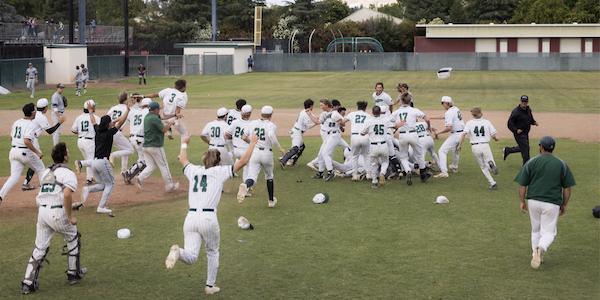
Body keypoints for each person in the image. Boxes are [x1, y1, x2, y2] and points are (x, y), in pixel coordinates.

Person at [164, 133, 259, 295]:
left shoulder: (193, 170)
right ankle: (209, 286)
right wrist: (253, 143)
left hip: (191, 218)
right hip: (208, 218)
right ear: (218, 162)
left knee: (192, 256)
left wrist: (185, 143)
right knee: (212, 252)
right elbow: (243, 162)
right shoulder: (220, 172)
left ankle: (178, 252)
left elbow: (182, 159)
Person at [20, 142, 87, 294]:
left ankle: (27, 283)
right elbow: (67, 194)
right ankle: (73, 273)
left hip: (42, 213)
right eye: (68, 152)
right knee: (73, 239)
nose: (69, 154)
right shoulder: (68, 174)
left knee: (40, 247)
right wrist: (70, 217)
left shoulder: (46, 172)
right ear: (65, 157)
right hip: (58, 214)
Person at [514, 135, 575, 269]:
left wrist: (521, 201)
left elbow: (522, 184)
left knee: (536, 230)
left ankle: (535, 255)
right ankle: (540, 248)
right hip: (551, 203)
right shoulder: (561, 164)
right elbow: (567, 187)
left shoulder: (532, 162)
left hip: (533, 202)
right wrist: (564, 204)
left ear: (541, 147)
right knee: (549, 232)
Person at [81, 100, 130, 213]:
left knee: (103, 184)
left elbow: (93, 121)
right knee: (111, 184)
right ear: (108, 124)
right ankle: (101, 207)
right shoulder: (109, 133)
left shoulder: (97, 131)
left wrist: (90, 111)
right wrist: (127, 110)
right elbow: (121, 122)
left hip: (94, 163)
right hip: (103, 163)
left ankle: (88, 190)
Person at [237, 106, 285, 207]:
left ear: (261, 114)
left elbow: (244, 137)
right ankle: (271, 201)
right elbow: (271, 135)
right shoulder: (271, 125)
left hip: (255, 152)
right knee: (269, 176)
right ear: (271, 115)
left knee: (252, 177)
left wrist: (252, 143)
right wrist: (279, 147)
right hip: (267, 153)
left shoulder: (252, 123)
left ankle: (245, 186)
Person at [0, 103, 46, 208]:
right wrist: (37, 152)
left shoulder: (16, 122)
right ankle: (45, 198)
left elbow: (12, 138)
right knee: (41, 169)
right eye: (34, 111)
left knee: (14, 177)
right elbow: (26, 141)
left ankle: (0, 195)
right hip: (25, 152)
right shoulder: (31, 124)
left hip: (13, 151)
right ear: (32, 113)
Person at [134, 102, 179, 193]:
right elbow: (164, 130)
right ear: (155, 110)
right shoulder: (154, 118)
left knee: (151, 165)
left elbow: (162, 117)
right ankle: (169, 186)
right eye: (158, 109)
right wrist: (170, 123)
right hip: (155, 147)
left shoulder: (148, 116)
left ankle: (140, 178)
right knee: (164, 166)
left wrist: (174, 115)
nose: (159, 110)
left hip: (146, 146)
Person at [22, 98, 66, 190]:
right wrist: (59, 123)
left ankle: (26, 182)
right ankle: (45, 185)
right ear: (45, 107)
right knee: (38, 163)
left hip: (29, 138)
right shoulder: (41, 117)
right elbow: (50, 131)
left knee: (35, 162)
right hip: (32, 140)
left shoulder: (35, 114)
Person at [391, 92, 433, 185]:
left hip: (402, 135)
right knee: (420, 155)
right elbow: (427, 119)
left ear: (401, 101)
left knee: (403, 157)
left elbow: (387, 121)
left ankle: (408, 170)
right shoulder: (414, 110)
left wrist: (396, 125)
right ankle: (423, 175)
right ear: (410, 101)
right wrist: (429, 126)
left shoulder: (397, 112)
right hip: (413, 134)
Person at [457, 107, 500, 190]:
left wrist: (460, 145)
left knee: (483, 167)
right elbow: (493, 135)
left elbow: (463, 134)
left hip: (475, 147)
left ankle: (493, 183)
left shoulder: (469, 123)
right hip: (485, 145)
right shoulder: (487, 122)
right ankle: (490, 164)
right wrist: (496, 139)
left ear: (473, 114)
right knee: (489, 162)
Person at [361, 106, 398, 189]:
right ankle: (382, 173)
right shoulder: (385, 120)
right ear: (380, 112)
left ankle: (374, 182)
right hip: (383, 145)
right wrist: (400, 124)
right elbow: (394, 126)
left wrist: (369, 131)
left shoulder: (368, 121)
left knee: (374, 164)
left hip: (373, 145)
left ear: (372, 112)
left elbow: (362, 133)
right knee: (385, 162)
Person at [308, 99, 345, 182]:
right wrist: (310, 114)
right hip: (328, 135)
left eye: (322, 105)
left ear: (327, 105)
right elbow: (317, 122)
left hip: (335, 135)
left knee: (325, 153)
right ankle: (320, 173)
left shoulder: (335, 113)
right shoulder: (325, 113)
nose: (321, 107)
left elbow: (343, 122)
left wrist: (340, 122)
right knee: (320, 154)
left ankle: (330, 172)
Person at [431, 96, 465, 178]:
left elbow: (449, 127)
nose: (442, 105)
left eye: (442, 103)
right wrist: (431, 117)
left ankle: (444, 172)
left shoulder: (449, 113)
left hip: (456, 135)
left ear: (447, 103)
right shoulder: (455, 108)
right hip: (462, 133)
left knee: (442, 151)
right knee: (455, 151)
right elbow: (444, 115)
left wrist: (439, 132)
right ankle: (454, 167)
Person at [279, 99, 316, 169]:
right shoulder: (305, 114)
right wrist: (316, 123)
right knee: (295, 148)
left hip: (295, 131)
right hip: (297, 133)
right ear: (311, 106)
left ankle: (292, 161)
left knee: (302, 146)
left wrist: (321, 118)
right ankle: (283, 160)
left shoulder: (305, 112)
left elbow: (315, 117)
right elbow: (309, 126)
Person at [122, 97, 152, 184]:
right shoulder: (147, 112)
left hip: (132, 138)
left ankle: (134, 175)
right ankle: (128, 173)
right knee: (143, 160)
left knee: (145, 159)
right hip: (140, 139)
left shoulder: (133, 111)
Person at [72, 100, 101, 185]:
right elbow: (100, 130)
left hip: (80, 141)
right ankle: (80, 163)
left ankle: (89, 179)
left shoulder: (79, 117)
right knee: (92, 161)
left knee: (89, 160)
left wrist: (82, 133)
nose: (95, 107)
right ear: (91, 108)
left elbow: (73, 130)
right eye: (94, 106)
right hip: (89, 142)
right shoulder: (95, 117)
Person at [504, 95, 539, 165]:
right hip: (519, 134)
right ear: (520, 101)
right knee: (526, 150)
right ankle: (526, 167)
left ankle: (507, 150)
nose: (524, 103)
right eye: (522, 101)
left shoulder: (528, 110)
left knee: (523, 148)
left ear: (527, 102)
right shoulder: (516, 111)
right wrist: (516, 130)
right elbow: (510, 123)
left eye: (525, 101)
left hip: (526, 133)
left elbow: (530, 118)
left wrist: (534, 122)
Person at [106, 91, 135, 175]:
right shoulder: (128, 109)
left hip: (109, 132)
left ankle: (123, 170)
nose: (129, 100)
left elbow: (106, 118)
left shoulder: (113, 108)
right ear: (125, 100)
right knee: (130, 150)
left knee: (124, 150)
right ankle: (112, 155)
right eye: (128, 98)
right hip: (117, 133)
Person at [225, 104, 252, 189]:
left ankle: (225, 175)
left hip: (236, 150)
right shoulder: (251, 124)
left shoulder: (235, 122)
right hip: (245, 150)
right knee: (247, 168)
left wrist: (233, 137)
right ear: (250, 113)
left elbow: (227, 134)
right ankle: (246, 188)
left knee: (238, 165)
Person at [342, 101, 371, 180]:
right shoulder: (368, 116)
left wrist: (347, 115)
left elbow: (342, 122)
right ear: (365, 109)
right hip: (365, 136)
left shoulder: (352, 114)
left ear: (357, 108)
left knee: (355, 156)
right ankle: (368, 174)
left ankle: (354, 175)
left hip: (355, 137)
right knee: (367, 156)